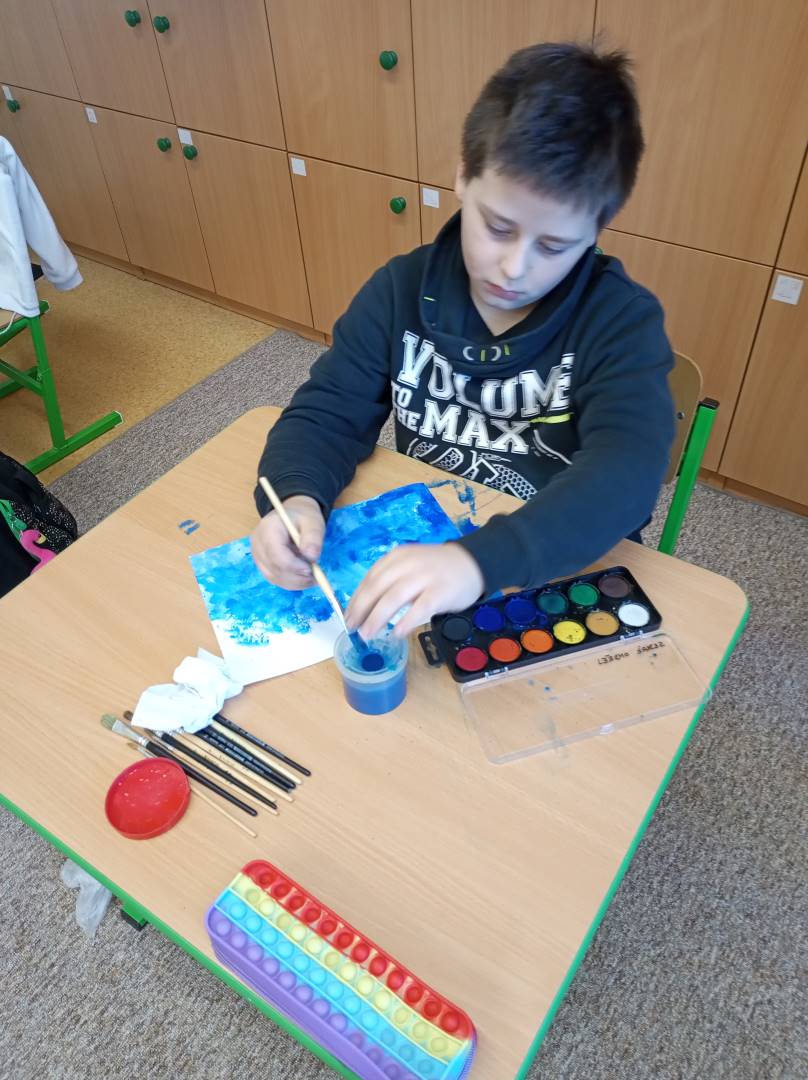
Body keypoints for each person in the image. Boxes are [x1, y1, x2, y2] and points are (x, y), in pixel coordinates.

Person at [251, 42, 674, 643]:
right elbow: (326, 414)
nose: (514, 268)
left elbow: (625, 476)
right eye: (497, 227)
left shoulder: (620, 321)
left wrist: (479, 562)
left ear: (598, 228)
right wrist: (296, 497)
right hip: (429, 545)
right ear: (461, 177)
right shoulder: (399, 290)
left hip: (554, 562)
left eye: (554, 246)